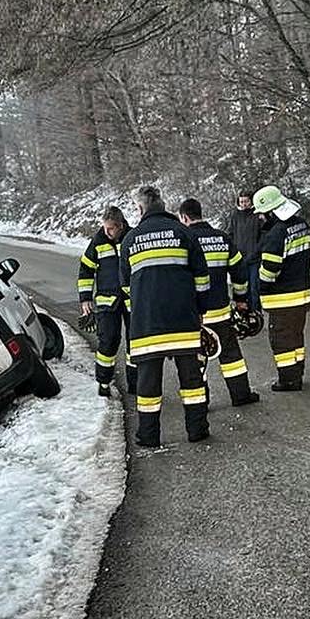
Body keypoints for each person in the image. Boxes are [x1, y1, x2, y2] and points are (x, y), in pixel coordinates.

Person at [118, 186, 211, 447]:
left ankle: (148, 436)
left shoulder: (130, 240)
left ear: (140, 209)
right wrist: (200, 310)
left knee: (148, 386)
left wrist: (138, 310)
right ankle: (197, 429)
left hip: (147, 326)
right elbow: (202, 279)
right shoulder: (184, 233)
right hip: (183, 320)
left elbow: (125, 286)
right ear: (162, 204)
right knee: (192, 380)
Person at [177, 196, 259, 406]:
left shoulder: (183, 240)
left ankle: (201, 403)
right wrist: (241, 300)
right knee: (232, 356)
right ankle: (241, 395)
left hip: (195, 315)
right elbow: (239, 272)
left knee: (197, 359)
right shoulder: (222, 238)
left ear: (184, 217)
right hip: (222, 311)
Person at [253, 184, 310, 391]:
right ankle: (297, 373)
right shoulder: (301, 225)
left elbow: (270, 269)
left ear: (271, 211)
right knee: (296, 336)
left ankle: (288, 380)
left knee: (281, 340)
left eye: (262, 214)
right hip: (302, 295)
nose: (260, 218)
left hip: (283, 299)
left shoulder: (276, 234)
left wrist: (260, 286)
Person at [78, 206, 134, 395]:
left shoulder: (132, 237)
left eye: (110, 228)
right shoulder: (98, 240)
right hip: (106, 301)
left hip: (131, 300)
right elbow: (86, 269)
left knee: (135, 342)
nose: (106, 232)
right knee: (108, 341)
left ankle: (134, 384)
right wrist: (85, 298)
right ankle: (103, 382)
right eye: (104, 227)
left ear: (120, 225)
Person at [227, 189, 263, 309]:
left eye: (246, 201)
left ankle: (255, 311)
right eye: (241, 202)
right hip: (240, 259)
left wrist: (258, 250)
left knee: (254, 288)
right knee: (241, 288)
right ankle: (243, 312)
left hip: (254, 258)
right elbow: (231, 233)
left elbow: (263, 234)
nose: (244, 204)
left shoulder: (257, 215)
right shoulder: (235, 215)